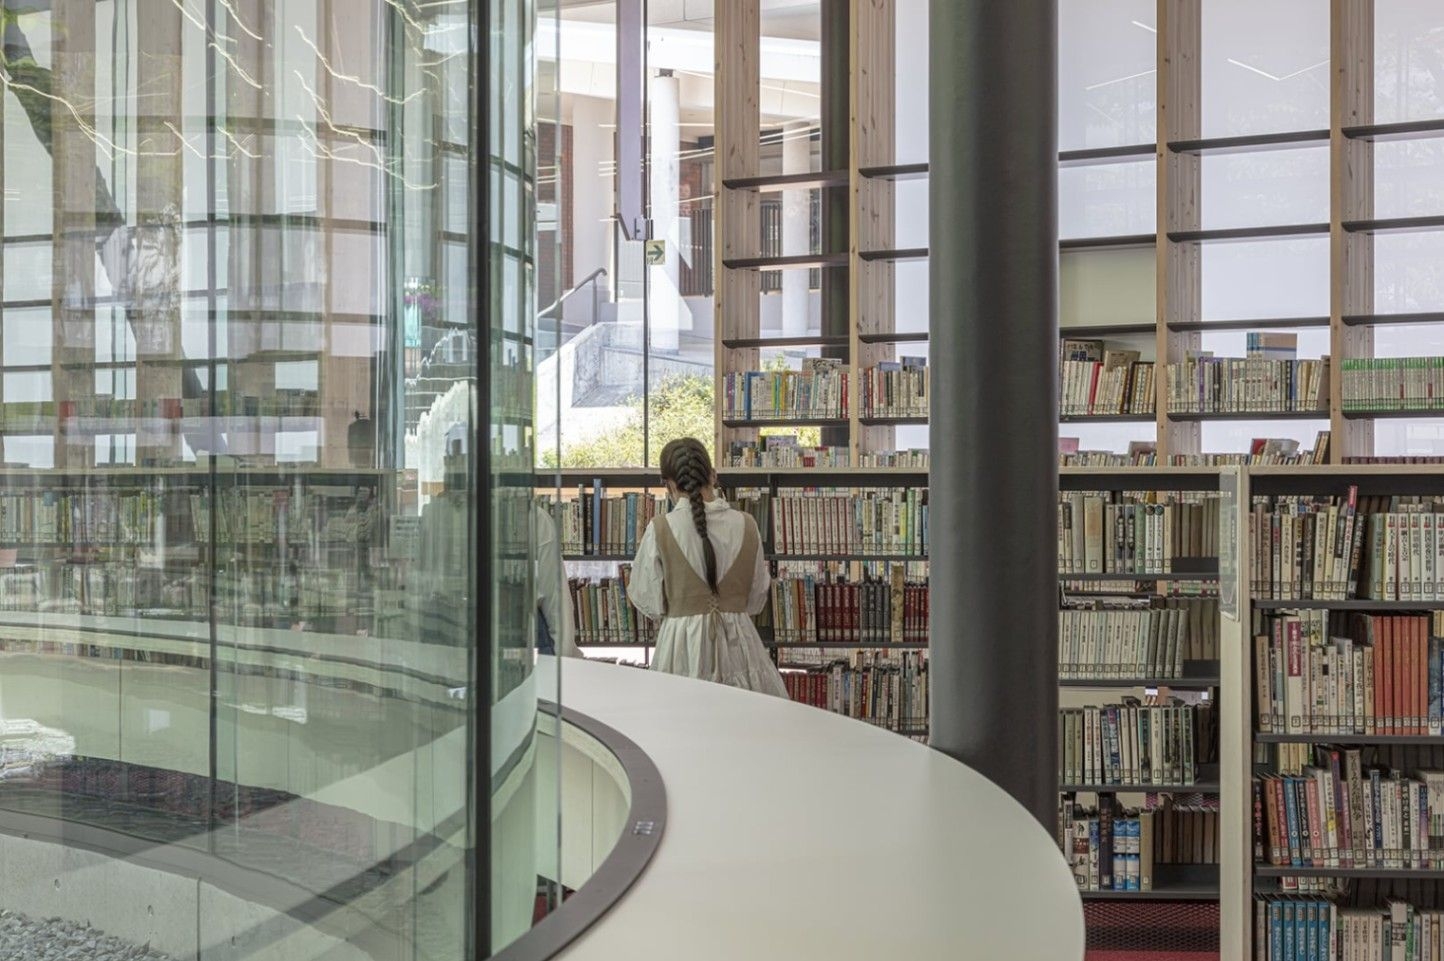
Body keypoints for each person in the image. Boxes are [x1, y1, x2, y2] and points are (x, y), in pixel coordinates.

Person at [627, 437, 787, 696]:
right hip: (740, 649)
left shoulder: (660, 529)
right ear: (713, 475)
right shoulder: (747, 524)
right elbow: (756, 599)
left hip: (682, 647)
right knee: (747, 716)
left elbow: (649, 602)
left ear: (668, 484)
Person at [534, 501, 580, 657]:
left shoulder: (536, 519)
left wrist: (563, 659)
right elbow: (555, 600)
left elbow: (554, 598)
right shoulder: (536, 518)